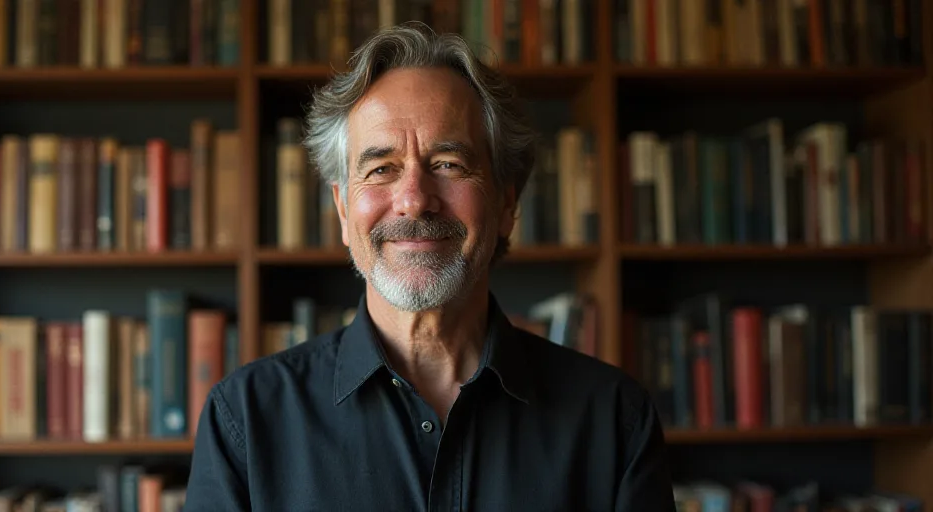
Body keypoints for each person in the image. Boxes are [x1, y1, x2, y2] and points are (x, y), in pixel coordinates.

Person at [185, 22, 676, 511]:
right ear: (341, 210)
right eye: (381, 169)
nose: (414, 200)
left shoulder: (615, 421)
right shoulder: (245, 422)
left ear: (506, 204)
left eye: (448, 163)